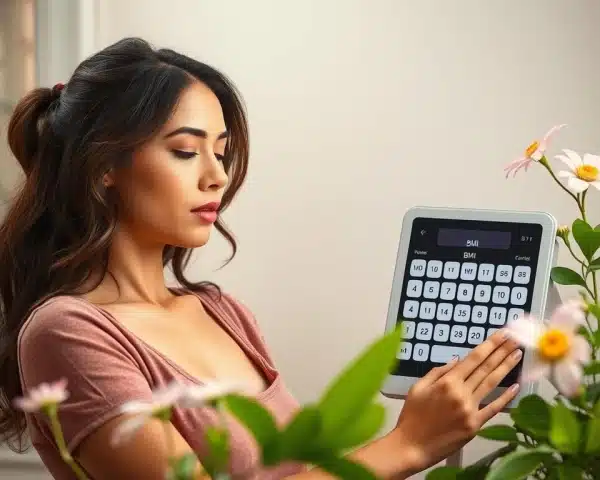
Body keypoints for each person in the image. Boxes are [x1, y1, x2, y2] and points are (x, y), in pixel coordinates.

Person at [0, 37, 522, 480]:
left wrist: (437, 423)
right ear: (103, 165)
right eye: (186, 150)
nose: (217, 177)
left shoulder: (221, 311)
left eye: (221, 152)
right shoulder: (65, 332)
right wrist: (406, 444)